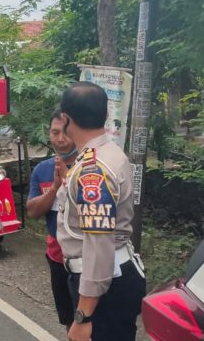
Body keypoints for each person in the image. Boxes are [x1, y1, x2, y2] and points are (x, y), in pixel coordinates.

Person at [57, 82, 145, 341]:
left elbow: (98, 245)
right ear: (106, 114)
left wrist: (84, 316)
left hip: (102, 286)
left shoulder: (92, 169)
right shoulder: (110, 152)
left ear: (65, 119)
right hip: (113, 277)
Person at [26, 109, 78, 332]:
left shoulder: (92, 167)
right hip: (57, 256)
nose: (61, 139)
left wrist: (69, 183)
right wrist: (55, 188)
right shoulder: (42, 170)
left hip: (88, 257)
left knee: (94, 318)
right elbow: (32, 211)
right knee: (69, 319)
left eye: (66, 133)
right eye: (55, 132)